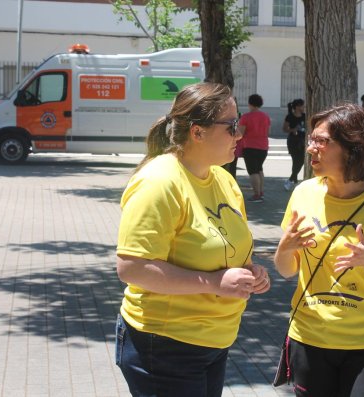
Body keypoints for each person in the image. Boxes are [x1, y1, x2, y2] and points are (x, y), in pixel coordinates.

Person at [115, 82, 271, 397]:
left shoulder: (223, 179)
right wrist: (212, 283)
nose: (239, 135)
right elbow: (132, 268)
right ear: (197, 132)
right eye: (231, 127)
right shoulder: (159, 181)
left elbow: (228, 249)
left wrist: (252, 272)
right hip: (166, 344)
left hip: (214, 340)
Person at [274, 103, 364, 397]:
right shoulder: (303, 193)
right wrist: (284, 249)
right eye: (311, 139)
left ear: (353, 148)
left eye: (321, 141)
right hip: (309, 337)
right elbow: (287, 270)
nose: (311, 148)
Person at [239, 93, 270, 202]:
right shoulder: (265, 116)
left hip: (250, 146)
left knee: (253, 171)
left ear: (250, 103)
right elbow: (268, 131)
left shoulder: (245, 117)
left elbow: (240, 133)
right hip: (263, 146)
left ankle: (256, 194)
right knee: (259, 169)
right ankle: (261, 192)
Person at [283, 99, 306, 191]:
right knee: (296, 160)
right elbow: (284, 129)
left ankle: (292, 179)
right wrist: (293, 130)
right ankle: (293, 180)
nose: (304, 107)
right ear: (297, 107)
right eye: (302, 106)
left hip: (303, 141)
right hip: (293, 141)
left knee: (301, 161)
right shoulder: (290, 116)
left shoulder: (305, 116)